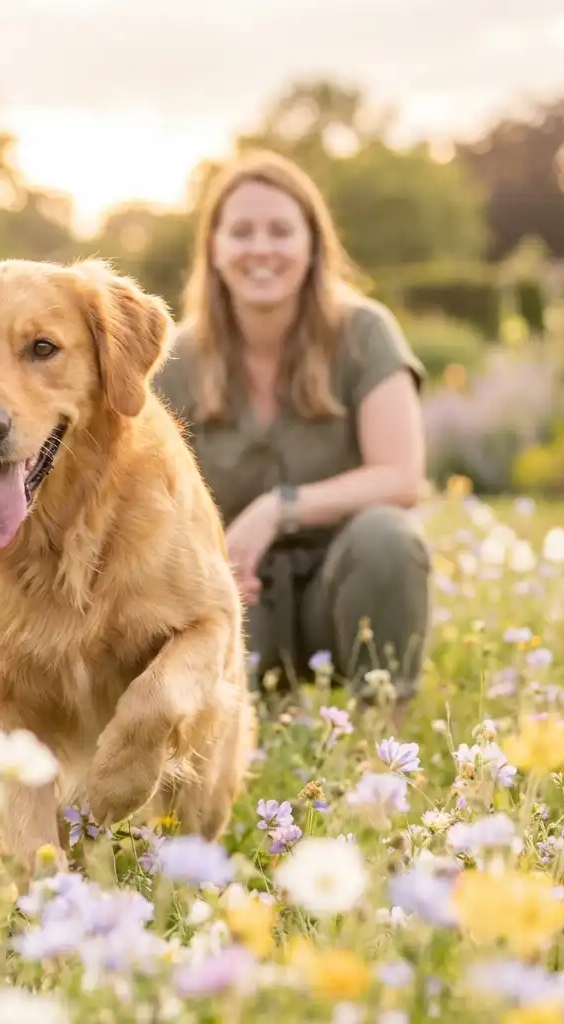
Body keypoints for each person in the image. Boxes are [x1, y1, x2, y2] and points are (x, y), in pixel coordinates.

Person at [154, 149, 432, 713]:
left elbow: (401, 477)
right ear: (214, 247)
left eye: (281, 230)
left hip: (344, 590)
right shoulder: (176, 358)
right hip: (238, 597)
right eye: (242, 231)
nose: (261, 248)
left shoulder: (365, 333)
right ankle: (249, 730)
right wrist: (208, 564)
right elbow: (145, 498)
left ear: (313, 245)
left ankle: (382, 745)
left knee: (388, 537)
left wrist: (276, 509)